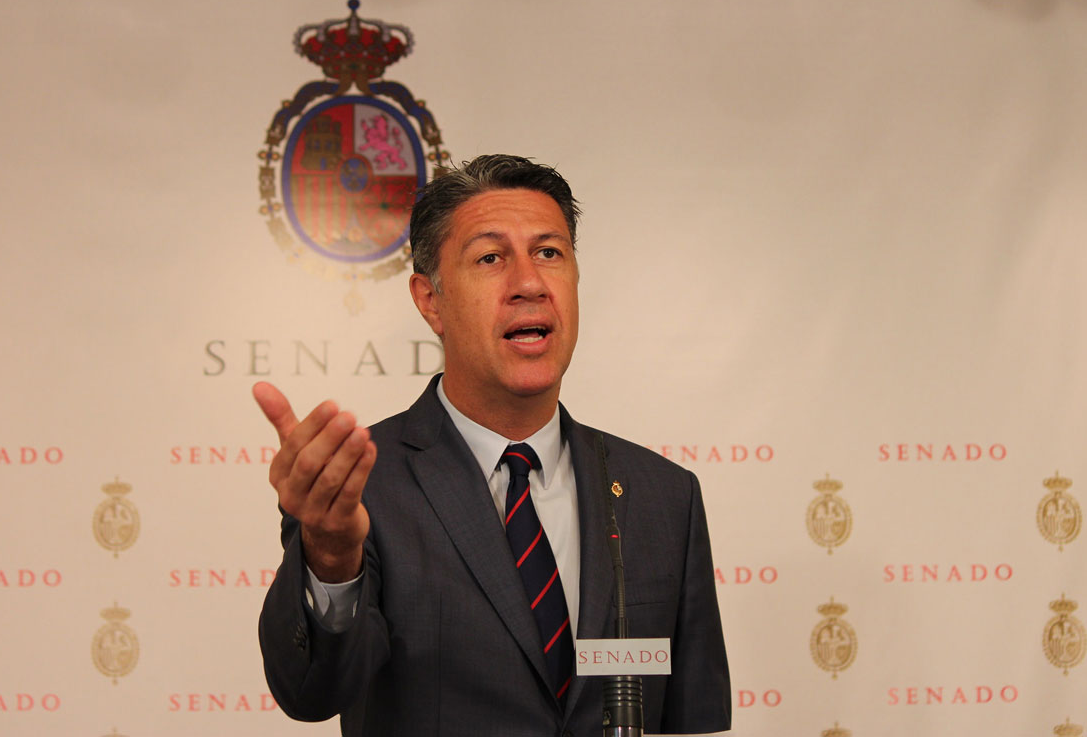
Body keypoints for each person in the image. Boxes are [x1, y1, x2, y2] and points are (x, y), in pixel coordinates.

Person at [254, 154, 731, 736]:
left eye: (549, 253)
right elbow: (311, 692)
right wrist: (330, 557)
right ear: (431, 301)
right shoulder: (364, 485)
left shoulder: (664, 496)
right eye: (490, 257)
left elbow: (691, 720)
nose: (529, 283)